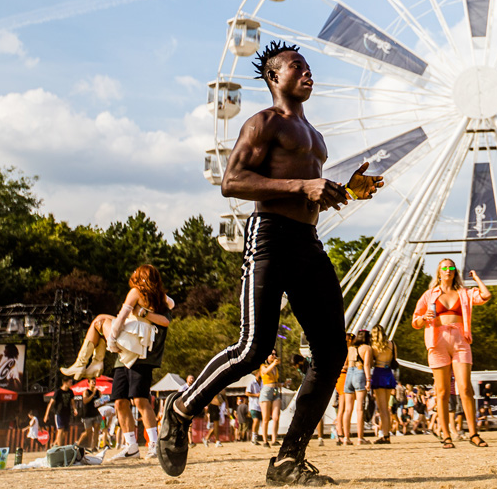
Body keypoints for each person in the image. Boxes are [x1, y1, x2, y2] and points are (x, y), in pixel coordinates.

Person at [158, 42, 383, 487]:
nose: (307, 73)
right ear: (274, 78)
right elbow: (232, 182)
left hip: (308, 242)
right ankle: (181, 408)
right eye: (297, 67)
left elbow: (307, 189)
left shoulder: (315, 136)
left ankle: (287, 460)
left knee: (333, 351)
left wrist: (342, 191)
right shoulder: (262, 123)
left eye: (309, 68)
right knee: (254, 347)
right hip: (269, 238)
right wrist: (304, 186)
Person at [411, 259, 492, 449]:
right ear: (439, 272)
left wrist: (476, 278)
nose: (448, 270)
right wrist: (423, 318)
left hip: (460, 340)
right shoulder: (429, 295)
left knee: (465, 388)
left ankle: (473, 433)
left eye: (451, 268)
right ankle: (446, 434)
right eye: (444, 268)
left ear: (455, 272)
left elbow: (485, 295)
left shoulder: (463, 294)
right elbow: (415, 321)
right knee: (442, 391)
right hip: (437, 340)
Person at [106, 264, 174, 460]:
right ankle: (131, 446)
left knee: (140, 399)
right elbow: (123, 314)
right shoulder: (136, 293)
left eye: (137, 273)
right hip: (125, 351)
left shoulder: (157, 298)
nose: (133, 275)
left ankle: (154, 443)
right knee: (119, 401)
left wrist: (144, 313)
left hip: (143, 353)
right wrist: (113, 338)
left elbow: (166, 319)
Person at [339, 332, 370, 445]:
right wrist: (368, 380)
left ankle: (346, 437)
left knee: (348, 409)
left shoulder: (351, 348)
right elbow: (366, 365)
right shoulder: (366, 348)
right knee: (359, 408)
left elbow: (345, 363)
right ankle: (360, 437)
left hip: (349, 375)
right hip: (359, 372)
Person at [369, 325, 398, 444]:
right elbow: (394, 360)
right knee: (387, 408)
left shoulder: (373, 347)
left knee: (382, 409)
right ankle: (387, 433)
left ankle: (385, 434)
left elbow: (370, 363)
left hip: (378, 372)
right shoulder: (392, 344)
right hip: (388, 373)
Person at [44, 375, 75, 447]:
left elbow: (72, 403)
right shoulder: (58, 392)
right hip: (59, 413)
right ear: (65, 382)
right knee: (60, 430)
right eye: (70, 382)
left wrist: (75, 409)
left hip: (67, 413)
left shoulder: (70, 392)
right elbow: (51, 403)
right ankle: (60, 447)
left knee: (65, 432)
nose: (71, 383)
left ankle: (55, 444)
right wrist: (46, 415)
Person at [259, 351, 283, 447]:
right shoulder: (263, 366)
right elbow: (265, 372)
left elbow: (275, 380)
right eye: (272, 354)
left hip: (275, 390)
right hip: (266, 391)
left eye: (275, 354)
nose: (274, 356)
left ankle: (274, 439)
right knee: (265, 418)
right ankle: (265, 440)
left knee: (276, 417)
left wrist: (282, 384)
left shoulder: (275, 368)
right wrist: (273, 363)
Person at [78, 377, 102, 450]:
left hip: (96, 413)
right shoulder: (86, 392)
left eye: (95, 382)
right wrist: (93, 394)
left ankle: (94, 446)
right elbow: (85, 401)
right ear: (88, 383)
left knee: (96, 430)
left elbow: (99, 402)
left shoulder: (98, 392)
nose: (94, 383)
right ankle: (78, 443)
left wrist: (103, 402)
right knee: (88, 432)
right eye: (92, 382)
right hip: (87, 414)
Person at [247, 373, 263, 444]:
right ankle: (253, 438)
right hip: (253, 405)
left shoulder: (263, 382)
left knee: (259, 422)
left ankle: (256, 437)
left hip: (261, 406)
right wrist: (256, 395)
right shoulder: (252, 383)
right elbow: (247, 393)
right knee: (256, 421)